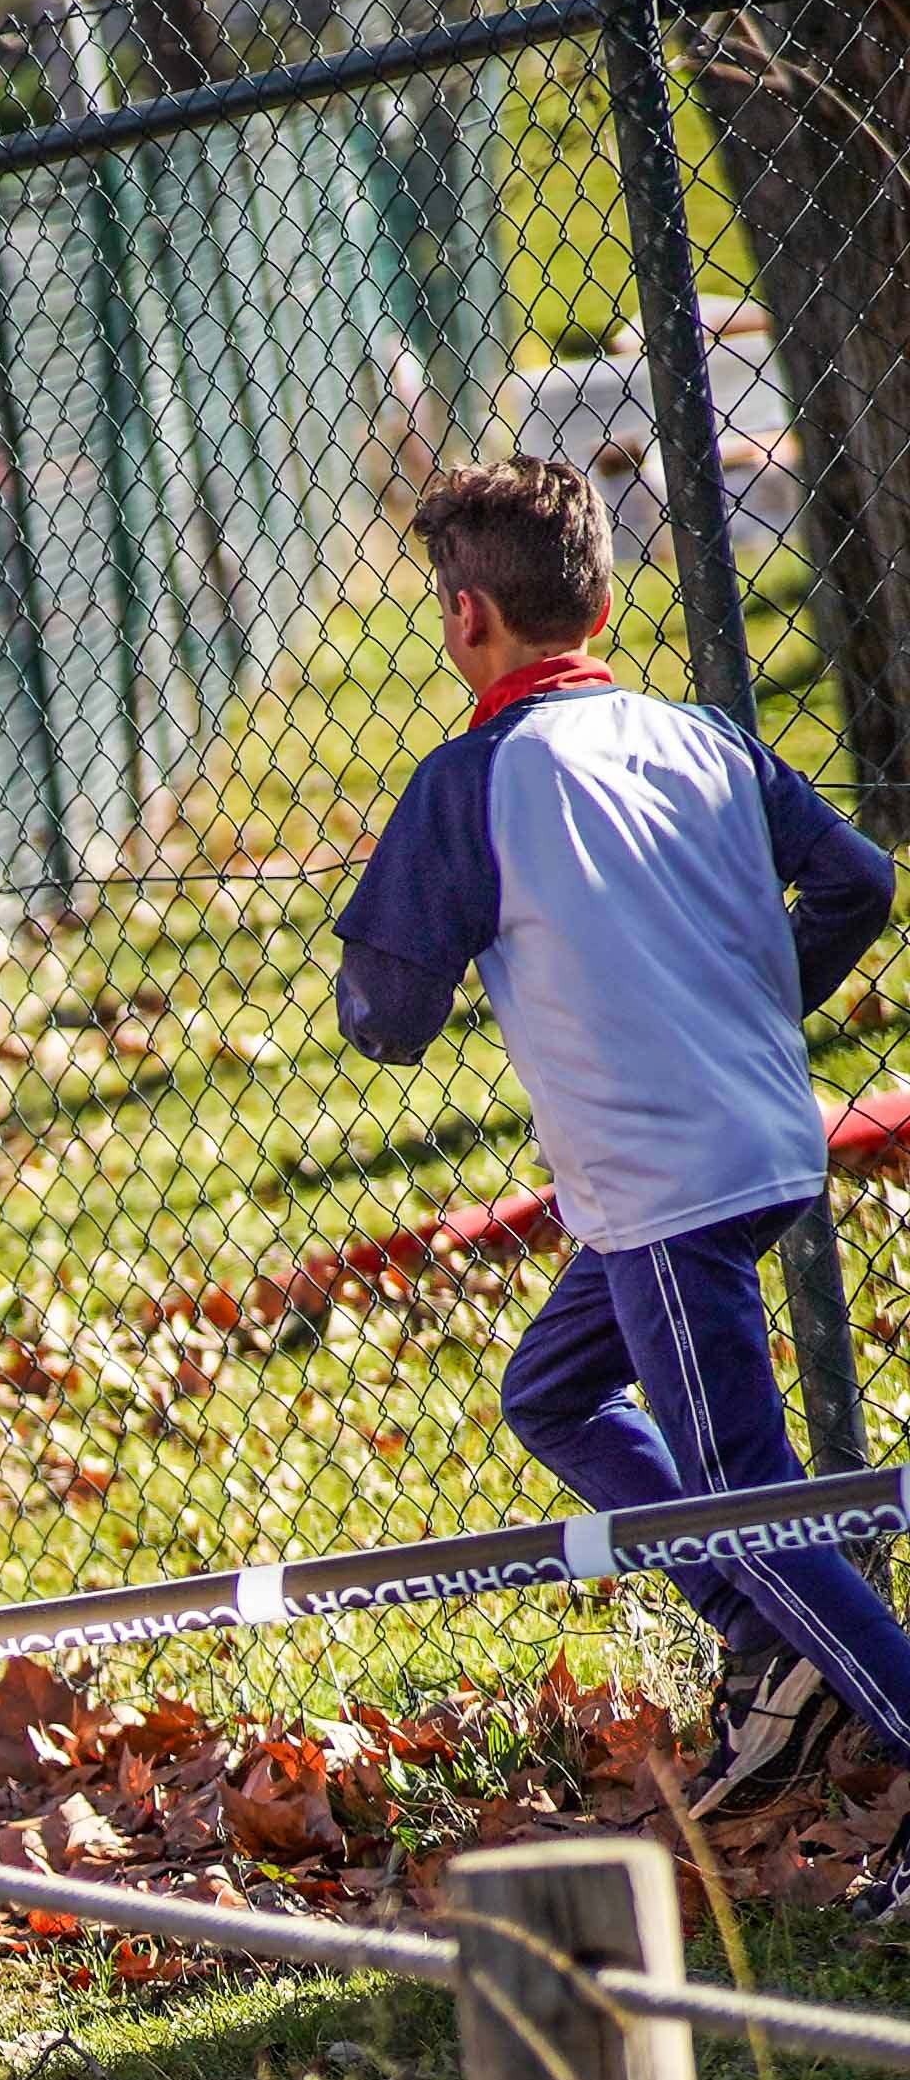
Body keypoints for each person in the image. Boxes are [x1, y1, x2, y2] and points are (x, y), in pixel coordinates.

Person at [334, 455, 910, 1846]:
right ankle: (771, 1650)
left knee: (737, 1490)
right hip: (765, 1144)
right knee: (554, 1393)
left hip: (664, 1187)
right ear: (593, 597)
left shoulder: (476, 779)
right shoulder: (700, 735)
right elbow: (861, 882)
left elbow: (388, 1016)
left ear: (472, 616)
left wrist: (389, 947)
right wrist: (751, 998)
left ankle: (885, 1711)